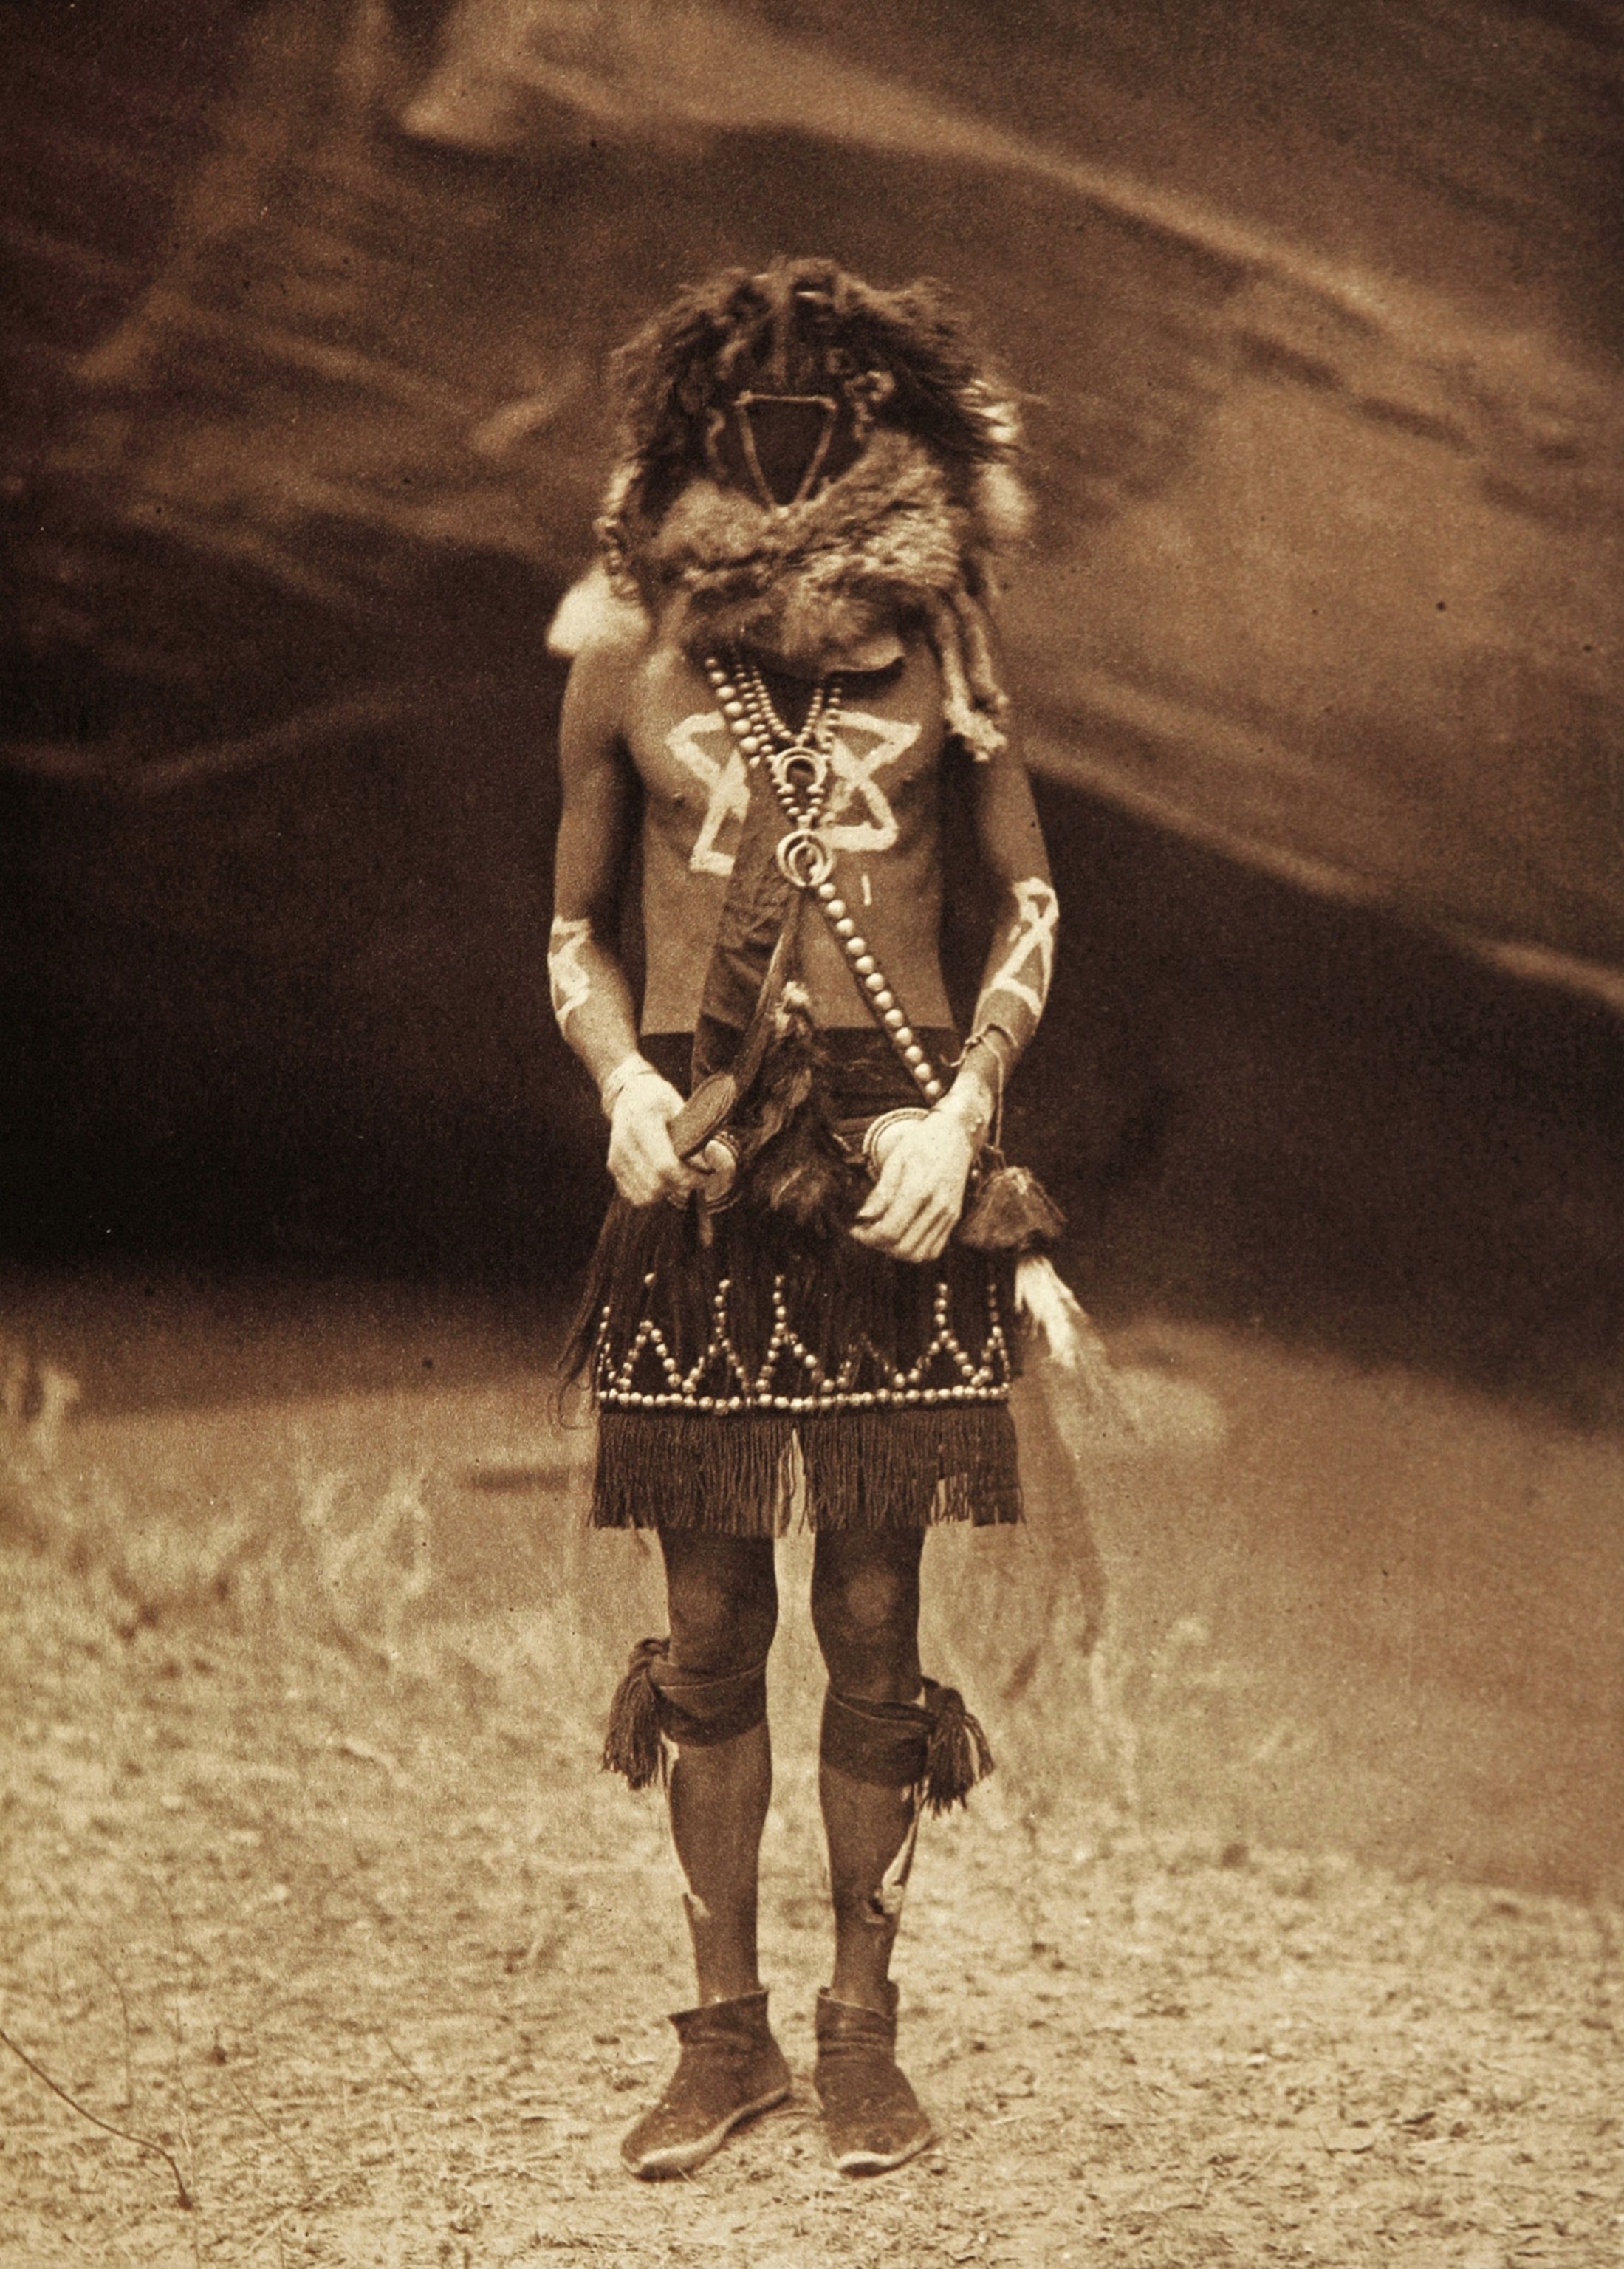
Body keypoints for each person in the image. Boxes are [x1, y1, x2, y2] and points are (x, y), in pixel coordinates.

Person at [549, 257, 1057, 2180]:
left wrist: (963, 1117)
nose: (777, 454)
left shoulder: (950, 659)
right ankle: (724, 2036)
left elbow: (1029, 904)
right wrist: (616, 1082)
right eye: (744, 428)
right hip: (691, 1148)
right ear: (690, 455)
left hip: (896, 1159)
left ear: (874, 446)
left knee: (869, 1615)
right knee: (701, 1625)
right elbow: (570, 931)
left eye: (818, 424)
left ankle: (862, 2033)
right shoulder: (624, 664)